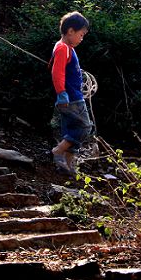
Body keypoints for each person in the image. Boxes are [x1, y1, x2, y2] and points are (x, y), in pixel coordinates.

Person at [50, 11, 93, 176]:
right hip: (72, 97)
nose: (82, 39)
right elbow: (57, 72)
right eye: (81, 35)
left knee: (72, 128)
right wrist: (61, 93)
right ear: (70, 31)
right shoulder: (63, 48)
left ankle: (68, 163)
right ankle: (58, 150)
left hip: (72, 96)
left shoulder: (67, 48)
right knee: (84, 127)